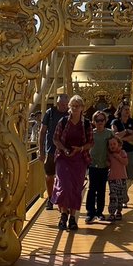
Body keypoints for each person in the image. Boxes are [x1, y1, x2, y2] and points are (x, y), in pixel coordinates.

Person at [52, 95, 93, 230]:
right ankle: (63, 214)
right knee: (64, 185)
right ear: (69, 107)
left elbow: (90, 142)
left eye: (77, 106)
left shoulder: (86, 124)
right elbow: (56, 139)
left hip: (79, 158)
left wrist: (80, 149)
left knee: (76, 188)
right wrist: (64, 149)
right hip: (64, 157)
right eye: (73, 106)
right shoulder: (63, 122)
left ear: (82, 108)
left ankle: (73, 217)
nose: (75, 108)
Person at [39, 93, 69, 210]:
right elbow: (42, 132)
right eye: (62, 104)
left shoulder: (69, 114)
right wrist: (41, 150)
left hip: (64, 150)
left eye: (66, 104)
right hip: (51, 149)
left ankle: (62, 199)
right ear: (57, 103)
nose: (64, 107)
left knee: (63, 176)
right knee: (50, 176)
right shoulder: (50, 113)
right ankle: (50, 198)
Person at [85, 111, 114, 223]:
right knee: (92, 189)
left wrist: (111, 160)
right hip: (93, 165)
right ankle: (90, 212)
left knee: (102, 189)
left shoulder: (109, 133)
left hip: (104, 165)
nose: (100, 123)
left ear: (105, 121)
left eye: (102, 120)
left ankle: (99, 212)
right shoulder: (92, 133)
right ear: (94, 122)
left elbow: (114, 146)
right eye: (97, 121)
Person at [110, 102, 133, 204]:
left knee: (131, 175)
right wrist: (127, 131)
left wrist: (123, 138)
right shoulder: (115, 122)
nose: (127, 111)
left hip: (130, 151)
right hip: (119, 152)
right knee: (120, 175)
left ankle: (123, 191)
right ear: (120, 110)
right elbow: (114, 134)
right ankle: (122, 195)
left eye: (128, 109)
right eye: (125, 109)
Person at [107, 135, 129, 221]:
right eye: (111, 145)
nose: (112, 146)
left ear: (118, 144)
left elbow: (125, 162)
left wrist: (118, 157)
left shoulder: (122, 152)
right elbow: (108, 164)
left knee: (120, 196)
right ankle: (112, 213)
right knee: (113, 196)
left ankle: (119, 211)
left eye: (114, 144)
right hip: (112, 178)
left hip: (122, 178)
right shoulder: (109, 155)